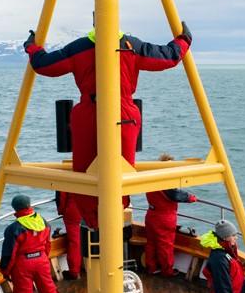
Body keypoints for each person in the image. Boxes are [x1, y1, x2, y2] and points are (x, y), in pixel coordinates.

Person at [24, 23, 192, 227]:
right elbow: (169, 56)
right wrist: (183, 40)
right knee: (121, 171)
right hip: (124, 112)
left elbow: (44, 65)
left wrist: (32, 47)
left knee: (85, 174)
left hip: (88, 114)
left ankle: (92, 221)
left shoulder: (79, 47)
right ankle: (114, 215)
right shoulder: (132, 45)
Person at [1, 194, 75, 293]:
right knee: (49, 291)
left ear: (15, 209)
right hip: (41, 260)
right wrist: (42, 258)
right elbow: (47, 245)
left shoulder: (13, 229)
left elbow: (10, 254)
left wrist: (6, 271)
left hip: (23, 265)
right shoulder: (43, 222)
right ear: (30, 206)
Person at [143, 154, 197, 276]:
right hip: (164, 218)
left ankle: (151, 267)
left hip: (151, 215)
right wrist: (191, 198)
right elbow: (176, 195)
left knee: (151, 243)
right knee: (165, 246)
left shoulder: (151, 179)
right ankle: (167, 271)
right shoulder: (166, 182)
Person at [55, 190, 83, 279]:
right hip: (94, 208)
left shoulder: (68, 175)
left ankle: (74, 272)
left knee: (75, 242)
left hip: (74, 210)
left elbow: (61, 196)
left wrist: (62, 211)